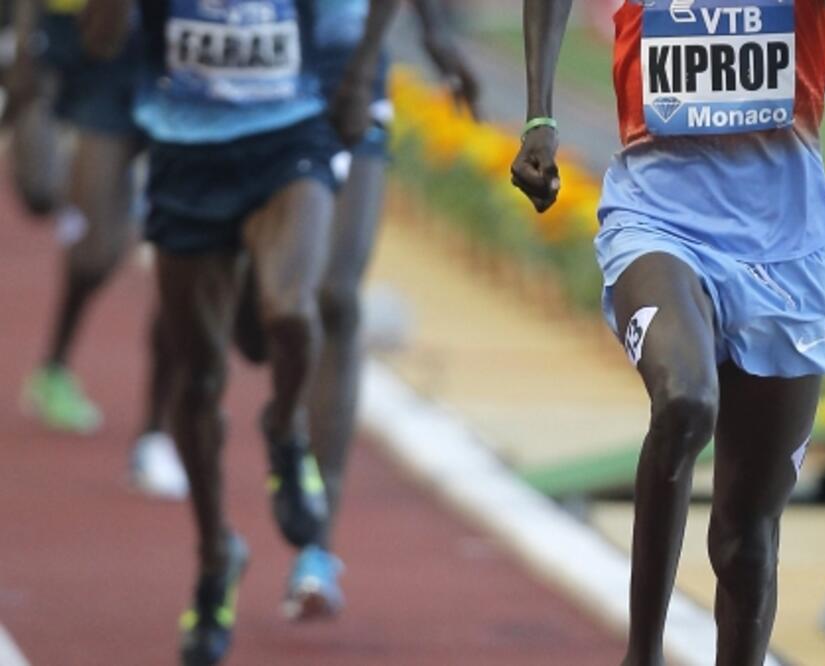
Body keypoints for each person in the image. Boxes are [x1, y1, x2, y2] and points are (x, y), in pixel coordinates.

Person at [511, 1, 825, 664]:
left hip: (787, 245)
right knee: (685, 400)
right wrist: (539, 114)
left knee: (746, 538)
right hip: (658, 217)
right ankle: (641, 655)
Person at [84, 0, 340, 661]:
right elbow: (102, 40)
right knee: (197, 380)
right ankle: (215, 554)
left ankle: (285, 428)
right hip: (185, 152)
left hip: (291, 137)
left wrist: (362, 76)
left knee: (291, 313)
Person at [276, 0, 481, 620]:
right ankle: (277, 436)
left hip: (351, 68)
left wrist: (434, 35)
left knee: (337, 299)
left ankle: (317, 542)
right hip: (251, 79)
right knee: (269, 311)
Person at [5, 0, 187, 499]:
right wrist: (25, 47)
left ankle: (155, 433)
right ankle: (55, 366)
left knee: (183, 257)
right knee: (95, 256)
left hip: (191, 69)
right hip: (105, 57)